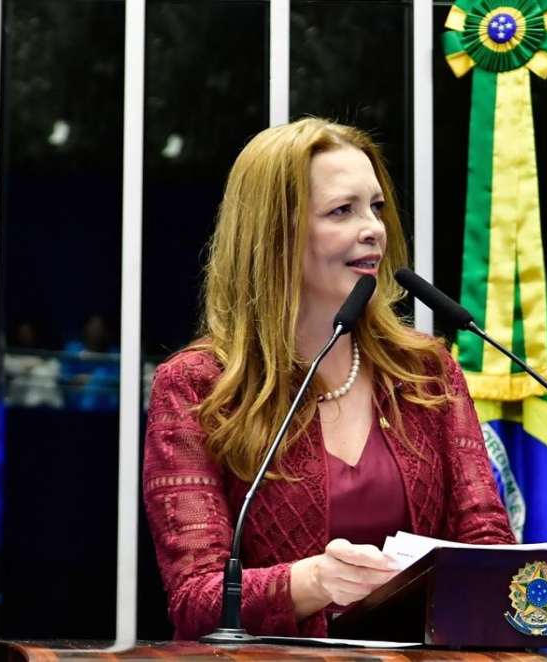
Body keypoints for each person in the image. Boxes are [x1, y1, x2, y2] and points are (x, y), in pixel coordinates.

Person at [142, 118, 515, 641]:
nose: (373, 229)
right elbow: (196, 599)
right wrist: (313, 580)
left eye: (376, 207)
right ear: (275, 233)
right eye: (343, 210)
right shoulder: (197, 385)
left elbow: (488, 542)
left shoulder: (427, 372)